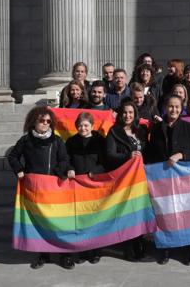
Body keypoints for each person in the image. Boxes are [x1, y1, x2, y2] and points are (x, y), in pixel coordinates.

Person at [7, 107, 71, 270]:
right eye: (42, 120)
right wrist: (20, 170)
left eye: (48, 121)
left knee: (59, 223)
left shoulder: (57, 141)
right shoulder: (26, 140)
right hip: (35, 189)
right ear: (34, 121)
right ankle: (43, 255)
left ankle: (65, 255)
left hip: (55, 188)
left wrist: (59, 172)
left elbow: (64, 159)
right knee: (40, 223)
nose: (45, 123)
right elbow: (13, 156)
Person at [146, 95, 190, 266]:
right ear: (165, 107)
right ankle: (165, 249)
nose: (174, 110)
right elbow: (150, 152)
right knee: (164, 214)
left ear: (182, 108)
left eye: (177, 107)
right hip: (161, 180)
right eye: (170, 107)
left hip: (183, 180)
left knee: (185, 214)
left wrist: (181, 155)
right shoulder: (156, 128)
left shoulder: (189, 127)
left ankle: (188, 250)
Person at [105, 99, 149, 261]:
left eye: (131, 112)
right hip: (124, 180)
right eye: (124, 112)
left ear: (135, 114)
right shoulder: (114, 131)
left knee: (139, 212)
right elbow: (109, 155)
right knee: (127, 213)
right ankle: (129, 246)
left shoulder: (141, 131)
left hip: (141, 179)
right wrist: (127, 156)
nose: (128, 115)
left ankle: (139, 242)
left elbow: (148, 151)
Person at [65, 112, 107, 265]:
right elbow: (65, 159)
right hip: (76, 186)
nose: (83, 128)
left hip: (94, 185)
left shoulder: (100, 141)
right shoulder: (70, 142)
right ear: (76, 126)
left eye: (86, 125)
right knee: (80, 219)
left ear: (92, 126)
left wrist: (95, 171)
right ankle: (82, 250)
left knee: (95, 218)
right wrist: (69, 168)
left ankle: (95, 251)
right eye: (80, 125)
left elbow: (106, 162)